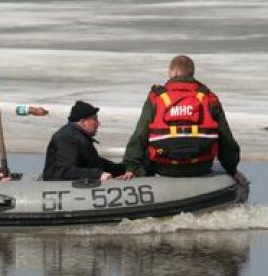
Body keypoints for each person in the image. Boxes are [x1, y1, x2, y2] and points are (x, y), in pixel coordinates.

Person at [123, 55, 248, 186]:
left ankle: (143, 187)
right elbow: (226, 139)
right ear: (192, 73)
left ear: (172, 72)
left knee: (147, 143)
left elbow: (139, 135)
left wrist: (131, 167)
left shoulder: (156, 97)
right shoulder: (209, 97)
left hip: (165, 168)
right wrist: (232, 170)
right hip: (200, 167)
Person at [42, 100, 128, 181]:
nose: (98, 123)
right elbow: (63, 172)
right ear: (83, 122)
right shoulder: (67, 138)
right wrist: (98, 175)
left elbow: (96, 163)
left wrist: (123, 169)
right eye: (95, 119)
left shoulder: (79, 137)